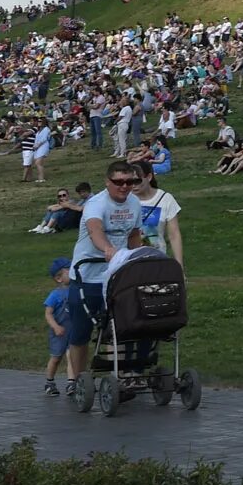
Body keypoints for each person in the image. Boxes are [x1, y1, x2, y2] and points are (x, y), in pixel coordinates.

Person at [63, 165, 146, 397]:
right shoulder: (96, 204)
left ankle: (119, 377)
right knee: (81, 332)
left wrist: (136, 257)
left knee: (119, 329)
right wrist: (108, 249)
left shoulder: (134, 203)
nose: (125, 187)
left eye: (129, 182)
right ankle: (76, 380)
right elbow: (95, 230)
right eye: (119, 182)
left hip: (114, 277)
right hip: (87, 276)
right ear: (107, 181)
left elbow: (133, 234)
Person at [130, 169, 185, 267]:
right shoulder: (125, 199)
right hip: (129, 261)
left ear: (149, 177)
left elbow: (174, 235)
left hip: (157, 259)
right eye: (129, 181)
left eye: (137, 181)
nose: (133, 185)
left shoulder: (165, 199)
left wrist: (179, 266)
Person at [41, 257, 72, 396]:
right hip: (59, 332)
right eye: (69, 270)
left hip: (73, 330)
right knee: (56, 357)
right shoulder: (55, 295)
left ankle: (71, 383)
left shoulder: (77, 291)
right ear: (59, 278)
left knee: (72, 355)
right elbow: (48, 314)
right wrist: (55, 326)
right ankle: (50, 382)